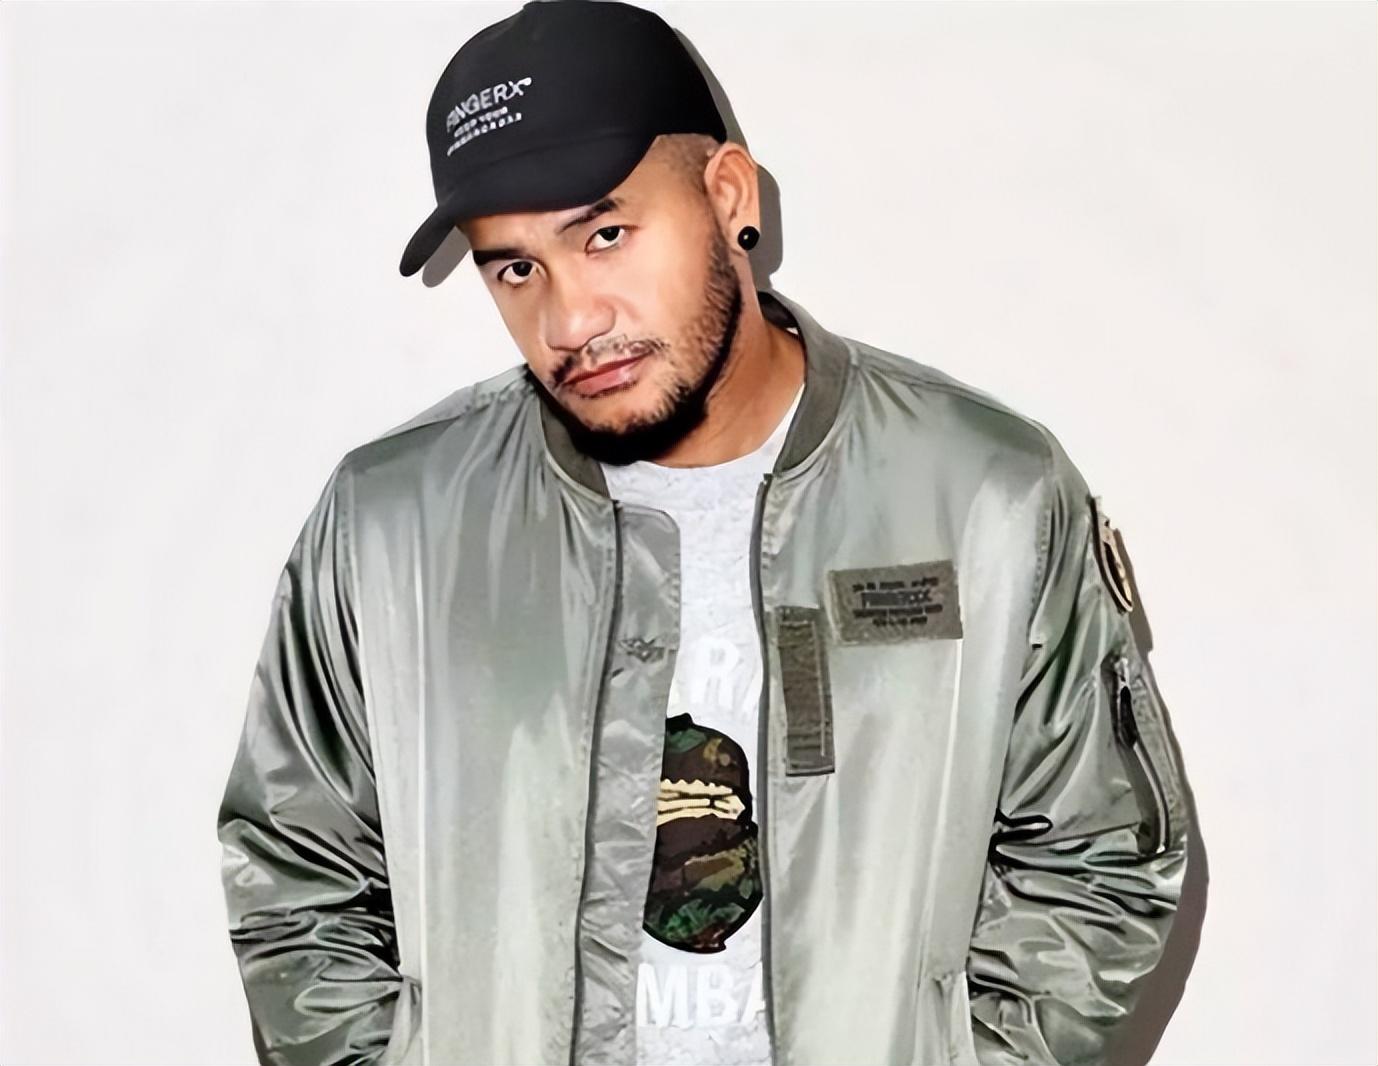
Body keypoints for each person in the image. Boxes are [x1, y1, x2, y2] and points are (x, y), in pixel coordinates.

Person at [215, 2, 1192, 1064]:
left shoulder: (981, 495)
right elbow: (297, 877)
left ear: (729, 196)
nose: (570, 319)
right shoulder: (391, 525)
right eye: (515, 267)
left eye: (605, 235)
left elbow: (1098, 862)